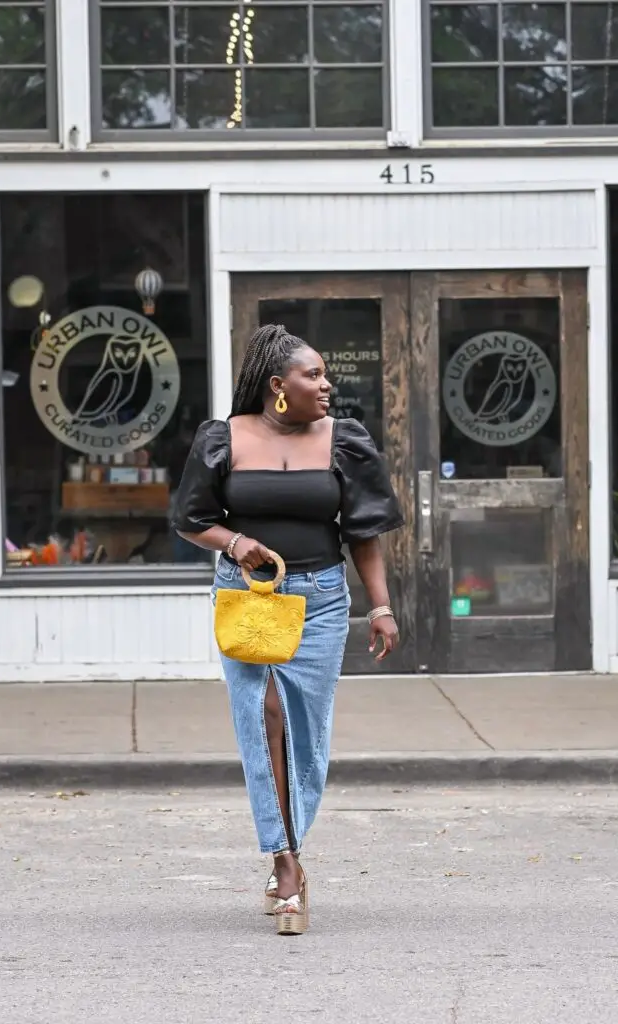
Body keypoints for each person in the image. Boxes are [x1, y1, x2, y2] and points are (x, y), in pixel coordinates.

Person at [174, 324, 403, 935]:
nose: (327, 385)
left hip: (324, 599)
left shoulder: (343, 440)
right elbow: (191, 519)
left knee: (307, 732)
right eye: (314, 376)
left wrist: (379, 607)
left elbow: (364, 533)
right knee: (263, 717)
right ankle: (285, 863)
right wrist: (236, 540)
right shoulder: (223, 439)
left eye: (326, 376)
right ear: (278, 386)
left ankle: (289, 843)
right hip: (248, 597)